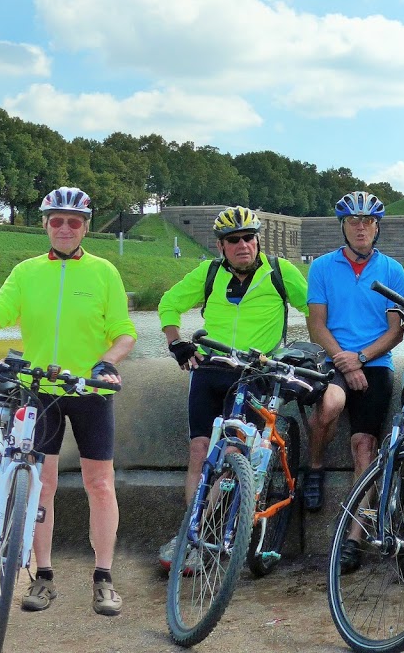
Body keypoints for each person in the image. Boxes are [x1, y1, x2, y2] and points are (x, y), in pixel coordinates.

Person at [0, 187, 135, 616]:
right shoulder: (26, 271)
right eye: (57, 220)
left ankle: (104, 578)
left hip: (88, 390)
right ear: (45, 224)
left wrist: (106, 362)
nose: (65, 228)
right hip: (38, 391)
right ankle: (43, 576)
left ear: (86, 226)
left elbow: (125, 331)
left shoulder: (104, 272)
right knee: (43, 484)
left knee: (100, 483)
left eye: (74, 221)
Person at [156, 205, 309, 569]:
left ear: (257, 240)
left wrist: (317, 353)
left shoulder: (279, 272)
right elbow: (168, 304)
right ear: (221, 246)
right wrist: (176, 341)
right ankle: (192, 533)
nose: (243, 245)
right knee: (200, 451)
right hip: (212, 367)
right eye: (233, 240)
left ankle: (226, 528)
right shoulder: (208, 272)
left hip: (258, 371)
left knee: (241, 452)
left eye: (248, 238)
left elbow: (317, 308)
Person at [303, 191, 404, 571]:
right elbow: (317, 324)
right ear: (343, 226)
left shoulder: (393, 270)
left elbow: (396, 332)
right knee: (328, 405)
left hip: (376, 364)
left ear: (377, 227)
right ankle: (314, 466)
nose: (361, 227)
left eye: (368, 221)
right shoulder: (323, 267)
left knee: (365, 446)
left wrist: (362, 357)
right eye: (353, 221)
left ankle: (353, 538)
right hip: (334, 358)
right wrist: (346, 363)